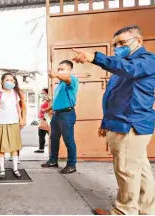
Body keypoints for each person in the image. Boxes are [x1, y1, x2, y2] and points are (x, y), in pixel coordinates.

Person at [72, 25, 155, 215]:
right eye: (115, 44)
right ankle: (147, 210)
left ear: (139, 41)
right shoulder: (124, 65)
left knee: (126, 172)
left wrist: (95, 57)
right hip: (121, 123)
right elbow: (114, 97)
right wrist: (105, 123)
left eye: (123, 43)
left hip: (130, 125)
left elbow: (129, 69)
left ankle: (123, 212)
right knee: (140, 171)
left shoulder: (145, 61)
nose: (118, 47)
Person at [41, 60, 79, 174]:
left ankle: (72, 165)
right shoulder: (59, 85)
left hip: (66, 114)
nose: (60, 71)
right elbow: (57, 100)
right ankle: (53, 160)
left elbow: (67, 78)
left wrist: (56, 74)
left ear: (69, 70)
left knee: (68, 140)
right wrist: (48, 109)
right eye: (59, 69)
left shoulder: (72, 79)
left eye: (62, 69)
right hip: (56, 115)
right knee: (54, 138)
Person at [0, 72, 25, 179]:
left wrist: (20, 119)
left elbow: (18, 107)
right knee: (1, 148)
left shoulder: (15, 93)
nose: (9, 82)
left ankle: (15, 169)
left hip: (14, 122)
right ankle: (2, 169)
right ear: (2, 81)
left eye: (12, 80)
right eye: (7, 80)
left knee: (14, 147)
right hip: (1, 123)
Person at [34, 88, 51, 153]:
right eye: (41, 93)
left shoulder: (48, 100)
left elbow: (49, 107)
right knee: (41, 134)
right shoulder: (44, 100)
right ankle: (41, 149)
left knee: (50, 134)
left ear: (47, 93)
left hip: (46, 119)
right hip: (42, 120)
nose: (42, 94)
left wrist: (45, 111)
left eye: (43, 93)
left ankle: (52, 149)